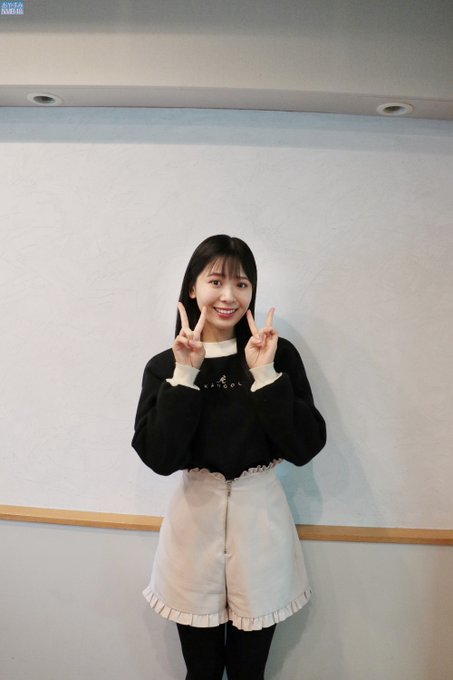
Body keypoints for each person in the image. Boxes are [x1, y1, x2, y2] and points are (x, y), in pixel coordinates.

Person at [132, 235, 326, 680]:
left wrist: (265, 373)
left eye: (241, 284)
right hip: (192, 530)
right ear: (193, 288)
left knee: (248, 671)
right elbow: (160, 456)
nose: (229, 296)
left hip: (262, 529)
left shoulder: (276, 354)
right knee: (200, 671)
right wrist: (185, 374)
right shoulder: (166, 364)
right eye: (216, 281)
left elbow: (305, 446)